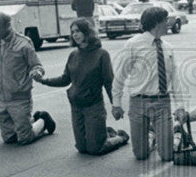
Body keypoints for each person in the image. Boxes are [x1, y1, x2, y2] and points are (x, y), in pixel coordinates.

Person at [36, 19, 129, 155]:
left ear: (87, 32)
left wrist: (116, 105)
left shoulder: (101, 54)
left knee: (95, 149)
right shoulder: (74, 55)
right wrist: (43, 81)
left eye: (78, 31)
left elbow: (109, 82)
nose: (75, 34)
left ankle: (120, 137)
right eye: (72, 32)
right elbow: (65, 79)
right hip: (76, 106)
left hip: (94, 107)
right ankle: (103, 132)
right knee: (81, 147)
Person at [112, 7, 182, 162]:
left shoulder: (168, 48)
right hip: (138, 103)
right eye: (165, 20)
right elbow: (119, 75)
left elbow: (175, 79)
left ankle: (176, 133)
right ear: (156, 23)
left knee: (167, 155)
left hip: (162, 102)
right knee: (140, 154)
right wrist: (116, 104)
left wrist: (180, 107)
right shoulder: (133, 44)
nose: (168, 23)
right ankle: (153, 134)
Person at [0, 12, 55, 145]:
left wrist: (36, 72)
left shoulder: (23, 44)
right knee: (9, 139)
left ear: (8, 25)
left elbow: (36, 65)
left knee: (25, 138)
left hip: (19, 98)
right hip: (1, 98)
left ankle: (43, 121)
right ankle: (30, 121)